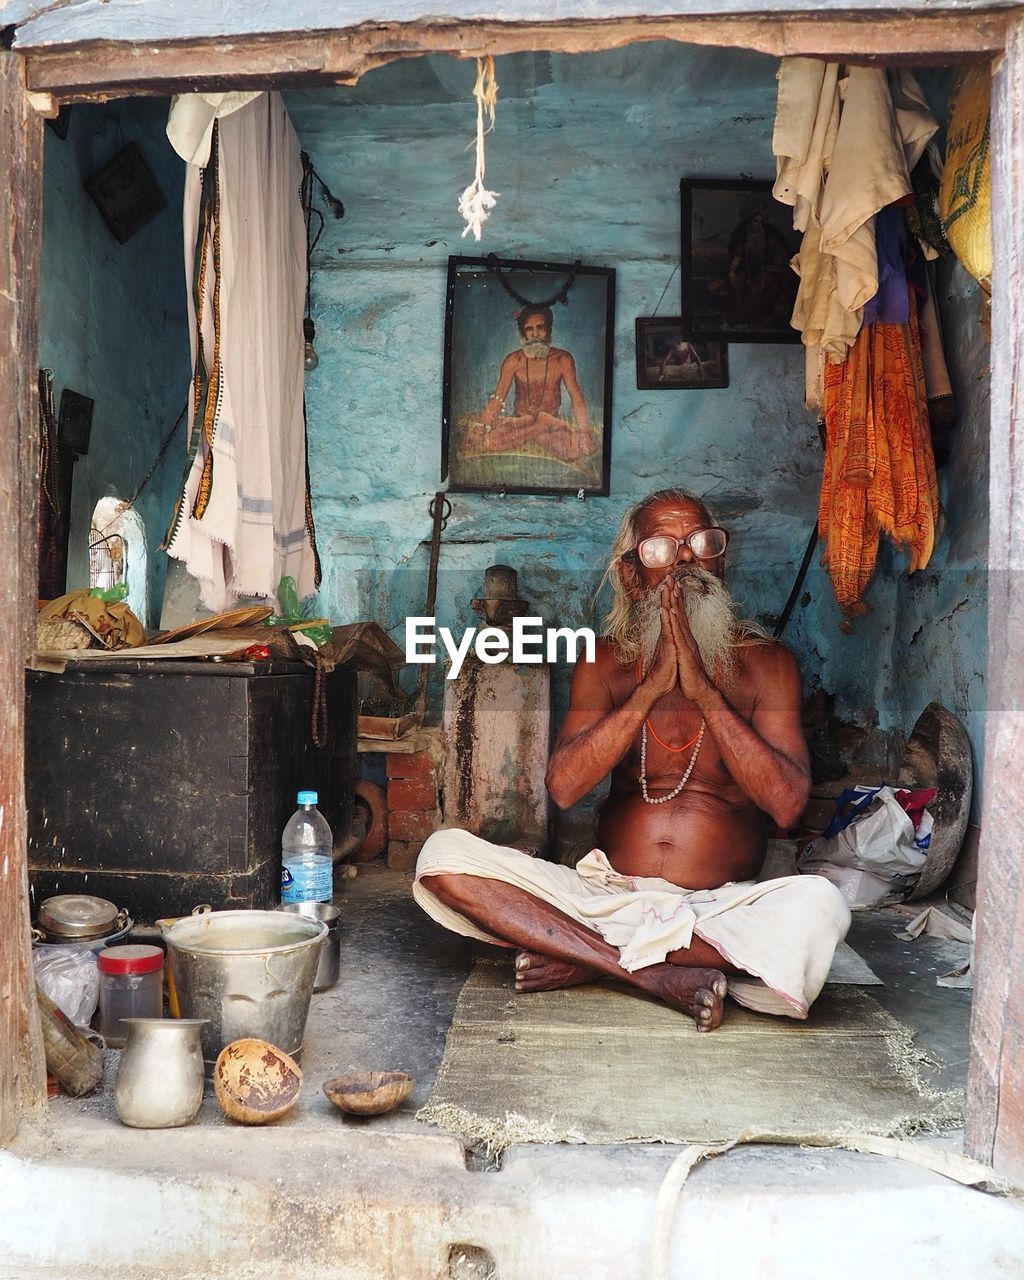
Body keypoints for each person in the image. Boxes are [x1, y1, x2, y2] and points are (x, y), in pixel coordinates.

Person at [414, 488, 851, 1031]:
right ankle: (651, 973)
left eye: (697, 544)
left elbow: (786, 807)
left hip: (717, 908)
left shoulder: (766, 664)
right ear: (629, 574)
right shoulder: (606, 660)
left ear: (720, 561)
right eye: (661, 549)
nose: (686, 559)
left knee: (821, 908)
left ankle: (586, 959)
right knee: (441, 856)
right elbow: (565, 787)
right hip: (606, 898)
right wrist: (651, 689)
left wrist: (703, 691)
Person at [464, 305, 594, 463]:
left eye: (540, 328)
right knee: (491, 442)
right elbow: (498, 399)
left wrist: (584, 433)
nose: (535, 334)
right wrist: (481, 426)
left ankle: (544, 423)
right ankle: (541, 425)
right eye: (529, 329)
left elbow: (577, 399)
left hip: (553, 421)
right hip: (520, 422)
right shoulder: (513, 360)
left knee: (573, 452)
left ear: (549, 330)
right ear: (522, 333)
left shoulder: (563, 359)